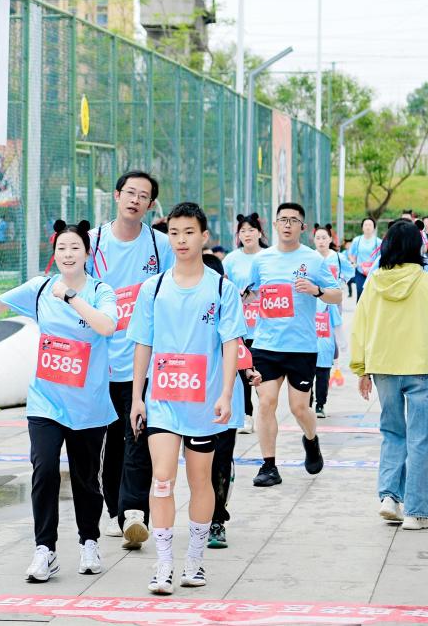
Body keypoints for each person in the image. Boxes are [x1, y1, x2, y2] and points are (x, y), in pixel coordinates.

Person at [0, 220, 118, 583]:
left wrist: (71, 297)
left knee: (86, 479)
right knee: (44, 470)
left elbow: (107, 326)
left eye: (75, 248)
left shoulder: (100, 291)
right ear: (54, 253)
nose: (68, 254)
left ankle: (89, 541)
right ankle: (45, 549)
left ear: (87, 253)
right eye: (61, 248)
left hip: (88, 405)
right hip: (46, 401)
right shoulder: (41, 287)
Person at [128, 202, 246, 594]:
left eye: (189, 232)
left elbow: (231, 343)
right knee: (162, 479)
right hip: (162, 400)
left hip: (203, 404)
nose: (181, 240)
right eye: (175, 233)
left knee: (200, 481)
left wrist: (226, 393)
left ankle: (194, 560)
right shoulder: (154, 288)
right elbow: (142, 343)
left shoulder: (221, 289)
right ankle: (163, 564)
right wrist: (137, 397)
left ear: (204, 236)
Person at [350, 221, 428, 530]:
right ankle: (417, 512)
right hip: (422, 368)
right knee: (421, 438)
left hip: (384, 367)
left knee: (392, 433)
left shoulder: (373, 283)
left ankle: (389, 497)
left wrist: (361, 368)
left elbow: (360, 326)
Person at [86, 171, 173, 549]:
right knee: (110, 442)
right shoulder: (92, 242)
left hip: (144, 360)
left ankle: (134, 513)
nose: (135, 200)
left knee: (139, 433)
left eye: (143, 196)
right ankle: (114, 510)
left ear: (151, 205)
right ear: (117, 196)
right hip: (98, 361)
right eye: (130, 193)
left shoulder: (160, 245)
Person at [246, 201, 341, 487]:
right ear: (275, 225)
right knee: (266, 402)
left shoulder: (313, 260)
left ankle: (311, 440)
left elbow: (337, 295)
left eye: (294, 220)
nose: (288, 225)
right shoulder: (261, 260)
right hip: (266, 345)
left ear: (303, 227)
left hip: (301, 347)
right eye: (283, 219)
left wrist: (317, 290)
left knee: (299, 408)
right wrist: (243, 296)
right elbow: (251, 292)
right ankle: (268, 466)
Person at [201, 252, 262, 551]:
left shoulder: (228, 305)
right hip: (194, 398)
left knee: (220, 461)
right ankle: (202, 513)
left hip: (227, 401)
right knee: (201, 463)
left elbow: (237, 346)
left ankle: (217, 519)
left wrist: (249, 371)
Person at [222, 213, 267, 434]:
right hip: (240, 327)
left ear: (260, 232)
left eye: (251, 230)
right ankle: (247, 415)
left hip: (265, 327)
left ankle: (265, 413)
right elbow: (223, 287)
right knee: (242, 371)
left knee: (263, 375)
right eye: (242, 231)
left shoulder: (268, 257)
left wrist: (256, 294)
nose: (247, 234)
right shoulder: (231, 259)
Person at [313, 224, 352, 418]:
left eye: (324, 237)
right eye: (318, 238)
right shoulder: (310, 257)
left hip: (332, 301)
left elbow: (350, 272)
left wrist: (341, 282)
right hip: (312, 301)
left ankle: (320, 402)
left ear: (330, 239)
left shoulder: (337, 257)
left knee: (329, 337)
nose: (321, 241)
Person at [348, 218, 382, 298]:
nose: (368, 227)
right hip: (360, 271)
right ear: (362, 227)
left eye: (370, 225)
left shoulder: (379, 241)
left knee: (372, 294)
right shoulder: (357, 240)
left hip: (373, 272)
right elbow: (350, 254)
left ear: (374, 228)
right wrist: (353, 262)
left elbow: (382, 256)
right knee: (360, 293)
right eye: (366, 225)